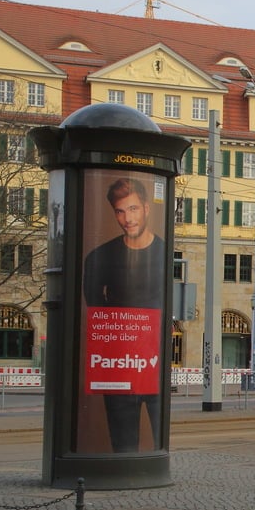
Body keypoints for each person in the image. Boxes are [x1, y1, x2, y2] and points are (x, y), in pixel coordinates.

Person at [83, 177, 165, 453]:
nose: (127, 219)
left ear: (146, 208)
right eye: (120, 211)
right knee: (123, 445)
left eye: (133, 209)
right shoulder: (99, 257)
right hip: (119, 363)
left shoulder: (164, 253)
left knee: (158, 445)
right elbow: (94, 308)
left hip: (155, 363)